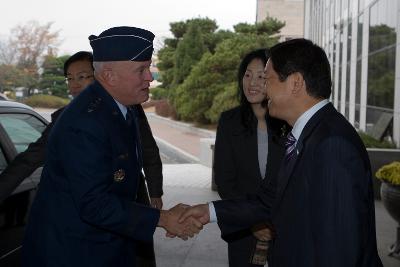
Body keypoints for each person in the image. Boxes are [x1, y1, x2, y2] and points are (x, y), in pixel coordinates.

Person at [179, 38, 383, 267]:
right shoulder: (310, 132)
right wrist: (209, 211)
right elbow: (272, 198)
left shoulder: (332, 146)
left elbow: (338, 252)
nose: (263, 88)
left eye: (268, 79)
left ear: (295, 83)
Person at [21, 26, 201, 267]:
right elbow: (94, 203)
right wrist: (162, 218)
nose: (150, 77)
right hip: (74, 252)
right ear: (109, 75)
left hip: (107, 245)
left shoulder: (118, 108)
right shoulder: (86, 122)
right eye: (142, 70)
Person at [0, 50, 162, 266]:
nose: (74, 84)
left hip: (132, 202)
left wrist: (156, 192)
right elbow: (29, 159)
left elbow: (149, 152)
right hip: (93, 221)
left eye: (83, 76)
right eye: (70, 78)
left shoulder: (130, 108)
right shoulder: (67, 120)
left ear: (102, 76)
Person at [213, 49, 287, 266]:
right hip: (243, 229)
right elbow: (225, 181)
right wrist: (253, 222)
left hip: (284, 228)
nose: (252, 82)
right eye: (247, 75)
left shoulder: (288, 121)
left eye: (261, 76)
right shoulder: (229, 121)